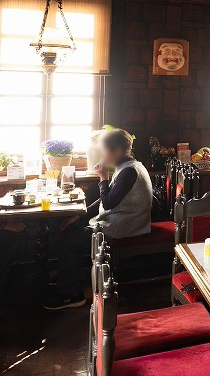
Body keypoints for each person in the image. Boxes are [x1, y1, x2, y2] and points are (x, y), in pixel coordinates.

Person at [48, 128, 154, 309]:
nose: (102, 155)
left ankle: (72, 294)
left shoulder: (129, 171)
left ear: (117, 151)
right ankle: (66, 278)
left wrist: (103, 177)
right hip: (120, 220)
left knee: (70, 239)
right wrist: (79, 215)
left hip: (127, 225)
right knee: (71, 228)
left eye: (105, 151)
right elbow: (106, 198)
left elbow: (108, 202)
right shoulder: (128, 166)